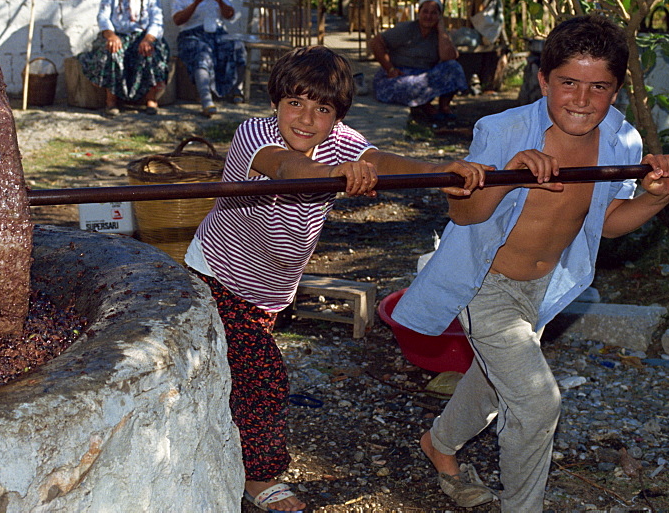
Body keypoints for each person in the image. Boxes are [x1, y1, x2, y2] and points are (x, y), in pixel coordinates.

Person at [390, 14, 669, 511]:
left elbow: (605, 221)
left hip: (544, 290)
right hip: (486, 284)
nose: (583, 100)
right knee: (536, 401)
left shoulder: (621, 141)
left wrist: (656, 199)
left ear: (617, 90)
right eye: (568, 83)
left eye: (599, 87)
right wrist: (511, 176)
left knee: (489, 388)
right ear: (544, 79)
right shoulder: (502, 129)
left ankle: (438, 444)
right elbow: (465, 212)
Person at [184, 45, 488, 512]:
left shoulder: (339, 141)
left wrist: (436, 172)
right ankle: (261, 478)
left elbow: (379, 159)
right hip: (218, 277)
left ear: (336, 116)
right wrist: (334, 174)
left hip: (268, 292)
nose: (306, 119)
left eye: (321, 109)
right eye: (295, 104)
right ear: (275, 103)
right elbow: (290, 169)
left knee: (234, 372)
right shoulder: (254, 135)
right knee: (264, 377)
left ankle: (220, 442)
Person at [78, 0, 170, 117]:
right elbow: (103, 16)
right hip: (116, 34)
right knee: (112, 52)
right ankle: (111, 101)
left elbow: (157, 21)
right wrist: (111, 35)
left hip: (142, 37)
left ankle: (151, 99)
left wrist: (148, 39)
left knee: (150, 52)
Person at [370, 0, 468, 124]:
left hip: (424, 75)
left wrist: (441, 29)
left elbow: (448, 57)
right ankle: (426, 107)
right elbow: (376, 42)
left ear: (439, 16)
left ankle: (444, 107)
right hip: (400, 75)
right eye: (425, 12)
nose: (428, 16)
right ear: (419, 13)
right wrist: (390, 68)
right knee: (411, 86)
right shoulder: (406, 29)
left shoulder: (440, 34)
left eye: (434, 13)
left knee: (454, 68)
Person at [171, 0, 247, 118]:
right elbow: (178, 20)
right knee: (202, 52)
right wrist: (195, 3)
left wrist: (220, 1)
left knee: (238, 46)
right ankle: (206, 100)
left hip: (217, 33)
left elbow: (230, 15)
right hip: (192, 34)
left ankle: (236, 89)